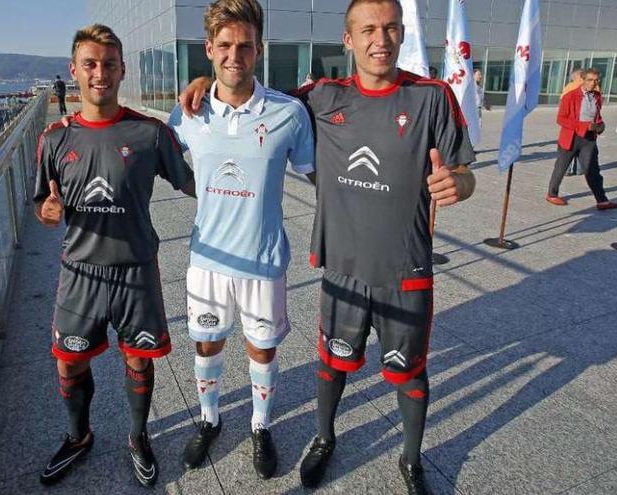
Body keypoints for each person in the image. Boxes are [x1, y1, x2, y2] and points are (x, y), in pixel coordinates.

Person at [179, 1, 476, 492]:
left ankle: (412, 459)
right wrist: (202, 86)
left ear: (401, 35)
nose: (380, 39)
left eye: (390, 29)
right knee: (332, 362)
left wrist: (457, 185)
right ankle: (323, 438)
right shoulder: (319, 96)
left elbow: (463, 173)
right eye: (368, 30)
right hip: (341, 264)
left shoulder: (432, 96)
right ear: (348, 39)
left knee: (408, 373)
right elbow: (251, 95)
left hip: (406, 266)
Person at [34, 24, 195, 488]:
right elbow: (42, 210)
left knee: (139, 360)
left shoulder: (150, 133)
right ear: (74, 71)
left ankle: (138, 437)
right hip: (79, 272)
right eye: (90, 64)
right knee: (69, 361)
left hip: (136, 270)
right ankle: (78, 436)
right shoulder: (54, 138)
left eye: (109, 64)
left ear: (123, 70)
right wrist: (48, 214)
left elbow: (191, 183)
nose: (99, 73)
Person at [168, 0, 316, 480]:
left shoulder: (289, 113)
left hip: (263, 261)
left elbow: (322, 175)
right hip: (207, 260)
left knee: (262, 350)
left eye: (245, 46)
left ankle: (260, 425)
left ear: (259, 49)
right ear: (210, 49)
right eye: (226, 45)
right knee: (207, 345)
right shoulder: (188, 111)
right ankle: (210, 419)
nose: (236, 55)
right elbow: (153, 156)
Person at [546, 67, 617, 210]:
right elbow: (561, 119)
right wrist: (584, 126)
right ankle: (552, 194)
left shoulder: (597, 97)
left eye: (596, 80)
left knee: (592, 170)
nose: (593, 83)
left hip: (588, 139)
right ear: (582, 80)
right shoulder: (570, 96)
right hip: (570, 137)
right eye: (590, 80)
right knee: (561, 167)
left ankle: (602, 200)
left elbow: (597, 116)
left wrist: (600, 125)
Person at [562, 68, 585, 175]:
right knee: (583, 146)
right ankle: (581, 168)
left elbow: (563, 102)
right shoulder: (589, 86)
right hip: (584, 122)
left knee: (569, 146)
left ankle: (567, 169)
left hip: (572, 122)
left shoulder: (570, 86)